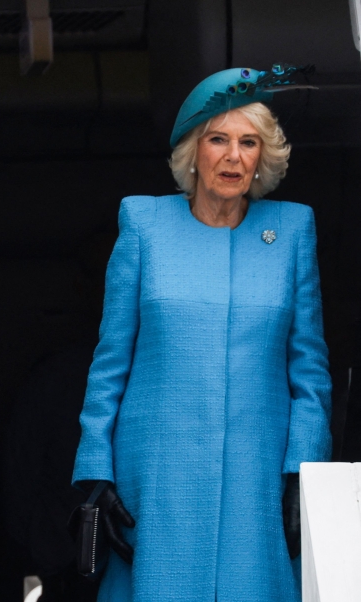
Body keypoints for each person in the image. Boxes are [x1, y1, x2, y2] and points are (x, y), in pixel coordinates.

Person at [72, 66, 333, 602]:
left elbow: (310, 372)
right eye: (218, 140)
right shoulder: (144, 225)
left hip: (258, 479)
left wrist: (302, 472)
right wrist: (96, 471)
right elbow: (110, 363)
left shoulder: (290, 231)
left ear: (262, 157)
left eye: (248, 142)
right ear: (193, 151)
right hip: (155, 479)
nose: (233, 156)